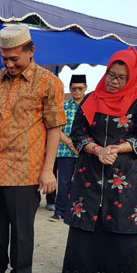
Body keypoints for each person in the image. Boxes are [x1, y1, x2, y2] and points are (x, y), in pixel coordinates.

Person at [0, 24, 66, 273]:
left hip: (26, 169)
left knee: (22, 228)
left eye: (15, 58)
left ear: (31, 51)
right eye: (5, 58)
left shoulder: (49, 82)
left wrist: (48, 170)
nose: (9, 64)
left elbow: (54, 128)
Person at [61, 46, 137, 273]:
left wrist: (116, 149)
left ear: (132, 77)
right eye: (111, 75)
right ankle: (80, 269)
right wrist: (97, 150)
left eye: (121, 78)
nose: (114, 81)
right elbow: (77, 133)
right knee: (87, 214)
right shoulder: (93, 98)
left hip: (124, 172)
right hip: (90, 170)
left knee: (119, 217)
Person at [50, 74, 86, 221]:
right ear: (70, 89)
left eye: (80, 88)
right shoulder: (63, 106)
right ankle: (60, 211)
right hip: (65, 150)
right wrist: (71, 144)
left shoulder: (90, 106)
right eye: (74, 88)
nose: (77, 91)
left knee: (82, 182)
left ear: (85, 88)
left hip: (85, 151)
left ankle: (77, 211)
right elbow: (57, 129)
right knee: (63, 181)